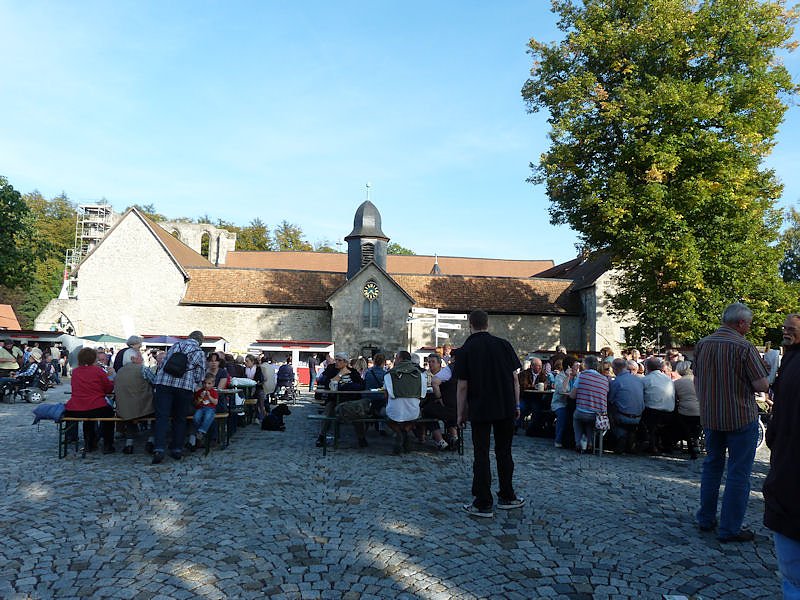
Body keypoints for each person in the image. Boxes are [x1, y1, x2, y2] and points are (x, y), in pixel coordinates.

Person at [694, 302, 769, 542]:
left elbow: (697, 376)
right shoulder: (744, 347)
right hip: (739, 415)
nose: (749, 327)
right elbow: (761, 386)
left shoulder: (703, 344)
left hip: (711, 414)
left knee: (712, 466)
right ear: (740, 323)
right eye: (749, 323)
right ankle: (730, 528)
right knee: (738, 473)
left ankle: (705, 518)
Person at [457, 310, 524, 518]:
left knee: (481, 454)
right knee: (504, 452)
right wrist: (517, 404)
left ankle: (483, 502)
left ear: (471, 324)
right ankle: (507, 495)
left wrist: (460, 414)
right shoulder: (504, 344)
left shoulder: (466, 349)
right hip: (505, 406)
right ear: (487, 323)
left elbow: (462, 386)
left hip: (481, 407)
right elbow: (515, 379)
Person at [763, 313, 800, 597]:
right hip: (787, 467)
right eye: (785, 327)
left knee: (792, 574)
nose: (786, 332)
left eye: (792, 329)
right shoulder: (789, 359)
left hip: (790, 474)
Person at [151, 330, 206, 464]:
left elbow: (164, 364)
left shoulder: (176, 346)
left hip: (164, 384)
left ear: (188, 337)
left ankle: (159, 449)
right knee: (180, 419)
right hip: (184, 387)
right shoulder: (199, 352)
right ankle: (176, 449)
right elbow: (200, 376)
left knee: (162, 417)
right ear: (200, 342)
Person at [65, 347, 116, 453]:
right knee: (109, 414)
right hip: (96, 406)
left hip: (75, 408)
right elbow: (108, 388)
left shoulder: (75, 372)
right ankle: (107, 444)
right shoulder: (98, 371)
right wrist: (110, 378)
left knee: (87, 417)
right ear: (94, 358)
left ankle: (89, 443)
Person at [114, 349, 155, 454]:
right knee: (158, 412)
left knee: (130, 410)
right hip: (144, 408)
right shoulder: (143, 369)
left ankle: (129, 443)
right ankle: (151, 440)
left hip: (125, 409)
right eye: (140, 356)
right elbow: (156, 382)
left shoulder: (119, 371)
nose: (142, 358)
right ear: (133, 358)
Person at [384, 350, 426, 454]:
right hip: (413, 411)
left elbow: (386, 394)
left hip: (394, 411)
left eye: (396, 358)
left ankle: (399, 432)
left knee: (383, 414)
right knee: (416, 415)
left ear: (400, 359)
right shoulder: (420, 375)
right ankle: (405, 431)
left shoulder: (389, 374)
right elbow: (423, 395)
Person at [568, 354, 609, 453]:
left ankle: (578, 443)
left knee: (577, 419)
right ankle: (590, 443)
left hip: (582, 412)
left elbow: (572, 396)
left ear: (586, 365)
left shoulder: (582, 376)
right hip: (599, 415)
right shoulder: (604, 379)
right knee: (590, 422)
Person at [420, 352, 458, 450]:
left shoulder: (445, 373)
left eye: (433, 362)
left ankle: (440, 441)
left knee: (427, 411)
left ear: (439, 364)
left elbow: (434, 383)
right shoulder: (425, 374)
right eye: (429, 362)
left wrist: (439, 398)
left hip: (447, 406)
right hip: (456, 407)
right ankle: (454, 437)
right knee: (442, 409)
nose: (430, 364)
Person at [607, 357, 644, 454]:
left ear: (615, 369)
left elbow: (610, 400)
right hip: (638, 417)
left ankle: (620, 435)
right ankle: (630, 437)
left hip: (623, 417)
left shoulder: (616, 382)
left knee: (609, 407)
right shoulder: (638, 380)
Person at [642, 356, 676, 453]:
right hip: (669, 412)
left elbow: (641, 397)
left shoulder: (646, 380)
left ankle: (649, 443)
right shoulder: (668, 379)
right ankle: (664, 444)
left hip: (653, 413)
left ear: (647, 367)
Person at [673, 360, 701, 459]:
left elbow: (675, 398)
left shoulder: (677, 383)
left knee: (681, 422)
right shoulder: (699, 380)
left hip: (684, 412)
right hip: (700, 411)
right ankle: (696, 440)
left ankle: (686, 442)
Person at [193, 374, 219, 444]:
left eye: (209, 383)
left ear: (213, 384)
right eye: (205, 383)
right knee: (196, 417)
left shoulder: (214, 392)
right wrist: (200, 398)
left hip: (210, 408)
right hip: (201, 408)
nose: (206, 385)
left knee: (208, 416)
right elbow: (196, 404)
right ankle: (199, 434)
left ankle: (201, 431)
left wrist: (209, 396)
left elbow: (215, 402)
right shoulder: (199, 392)